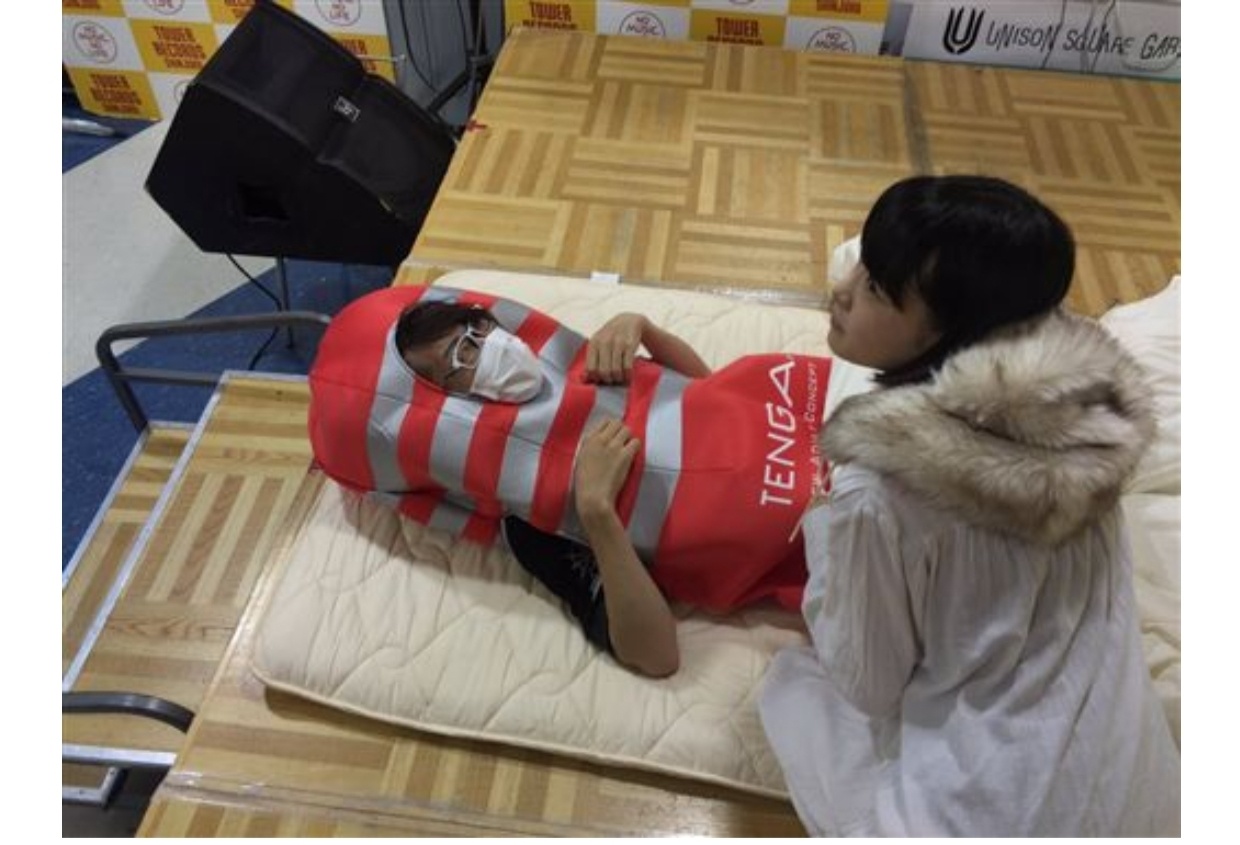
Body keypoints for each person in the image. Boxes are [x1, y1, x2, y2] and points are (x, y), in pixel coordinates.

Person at [758, 175, 1180, 835]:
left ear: (949, 333)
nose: (841, 289)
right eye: (863, 265)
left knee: (787, 684)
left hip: (982, 814)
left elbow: (869, 681)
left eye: (875, 288)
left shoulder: (881, 489)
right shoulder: (1089, 410)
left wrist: (820, 525)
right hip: (1146, 800)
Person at [306, 282, 834, 678]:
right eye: (460, 357)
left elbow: (710, 392)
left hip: (833, 421)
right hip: (830, 531)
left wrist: (644, 329)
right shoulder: (532, 523)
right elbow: (655, 656)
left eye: (479, 329)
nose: (489, 347)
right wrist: (598, 512)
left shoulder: (581, 365)